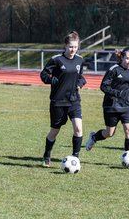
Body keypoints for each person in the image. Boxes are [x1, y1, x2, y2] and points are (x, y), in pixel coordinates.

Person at [40, 31, 86, 167]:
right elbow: (43, 75)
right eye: (71, 47)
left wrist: (80, 84)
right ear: (65, 45)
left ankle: (75, 157)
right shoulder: (56, 60)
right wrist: (51, 79)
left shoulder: (80, 60)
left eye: (76, 47)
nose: (73, 50)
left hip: (74, 100)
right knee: (55, 131)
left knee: (78, 128)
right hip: (58, 101)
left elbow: (81, 77)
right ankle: (47, 154)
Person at [85, 47, 129, 153]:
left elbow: (128, 89)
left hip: (126, 105)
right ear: (122, 57)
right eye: (128, 58)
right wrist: (117, 93)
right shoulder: (114, 69)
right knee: (109, 133)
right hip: (111, 105)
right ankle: (94, 137)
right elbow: (103, 86)